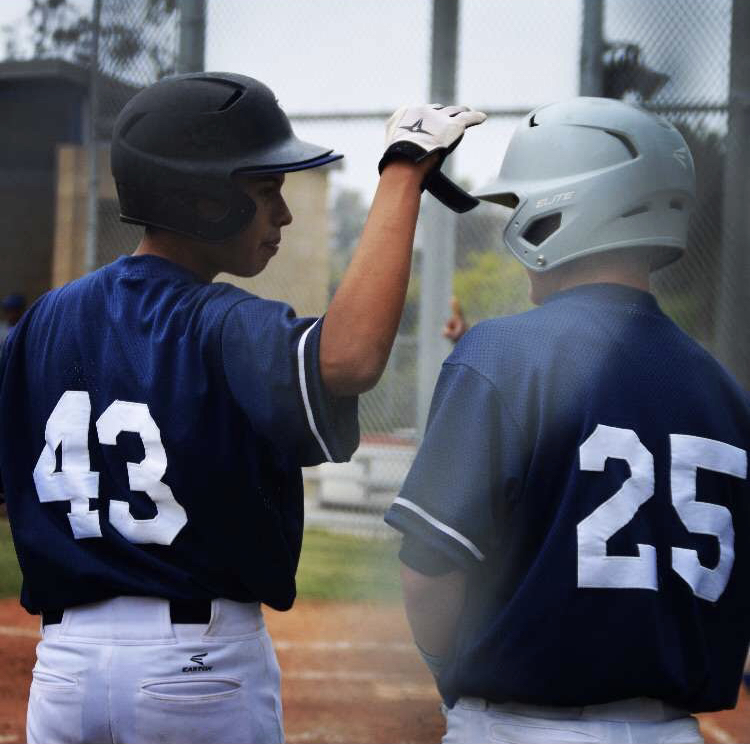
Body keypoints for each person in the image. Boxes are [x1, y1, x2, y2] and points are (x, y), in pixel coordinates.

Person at [0, 71, 485, 744]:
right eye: (265, 191)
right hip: (194, 672)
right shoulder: (218, 322)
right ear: (204, 201)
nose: (282, 213)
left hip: (63, 674)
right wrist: (403, 171)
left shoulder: (41, 322)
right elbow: (347, 360)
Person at [385, 97, 750, 744]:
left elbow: (428, 574)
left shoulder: (501, 353)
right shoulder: (723, 391)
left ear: (560, 210)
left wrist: (453, 670)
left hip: (519, 727)